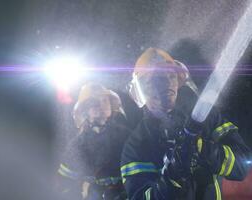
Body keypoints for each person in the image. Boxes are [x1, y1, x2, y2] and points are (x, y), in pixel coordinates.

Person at [121, 48, 251, 200]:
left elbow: (243, 166)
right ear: (142, 89)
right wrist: (172, 176)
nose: (168, 82)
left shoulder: (206, 117)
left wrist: (205, 150)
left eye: (172, 76)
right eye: (157, 79)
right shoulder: (136, 145)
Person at [57, 83, 131, 200]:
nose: (101, 105)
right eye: (94, 102)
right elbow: (65, 184)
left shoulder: (126, 136)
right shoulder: (77, 146)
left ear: (112, 105)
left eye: (104, 101)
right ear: (85, 110)